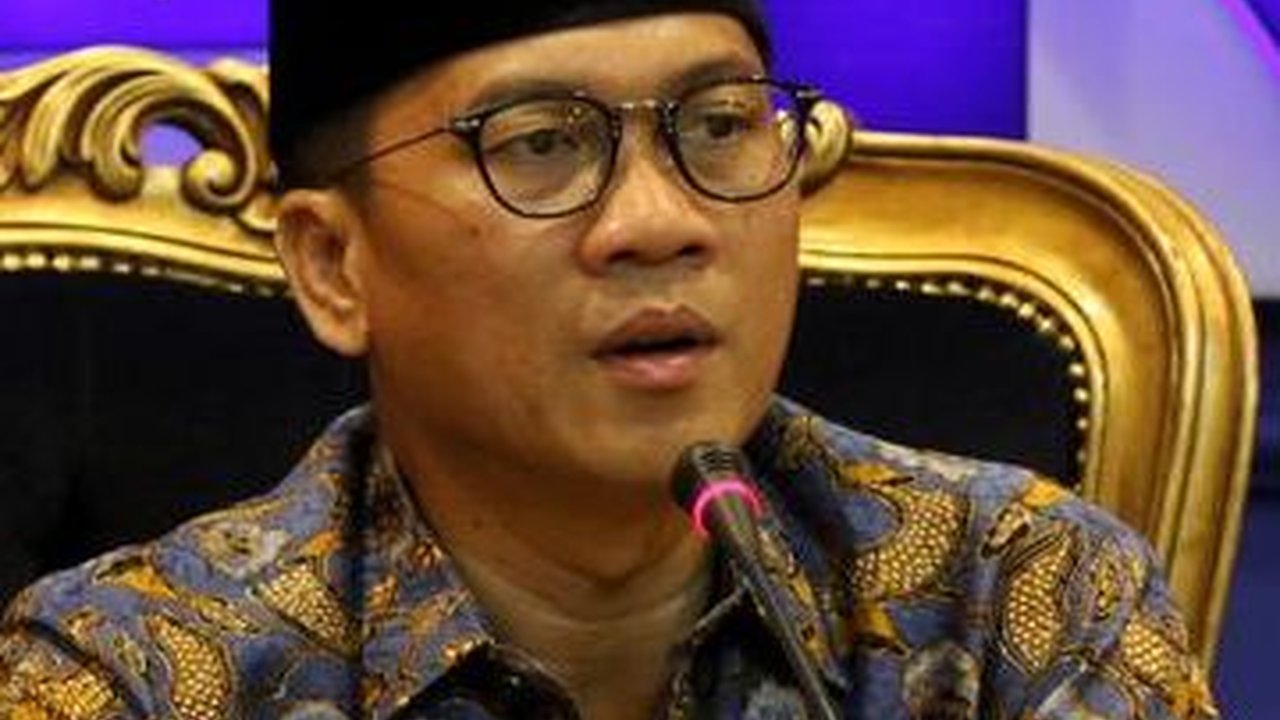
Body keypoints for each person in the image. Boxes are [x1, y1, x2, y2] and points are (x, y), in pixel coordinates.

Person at [0, 1, 1218, 718]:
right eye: (538, 143)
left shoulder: (1016, 595)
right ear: (332, 265)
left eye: (719, 125)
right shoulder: (133, 674)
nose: (657, 221)